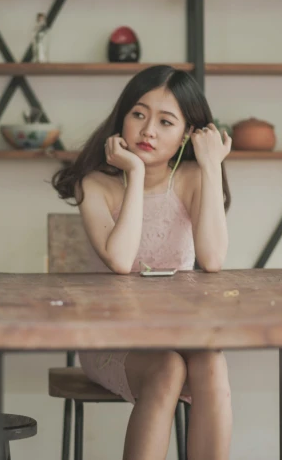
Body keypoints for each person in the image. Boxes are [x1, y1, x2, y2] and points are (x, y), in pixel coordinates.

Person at [51, 65, 233, 459]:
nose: (148, 130)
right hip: (111, 338)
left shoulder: (192, 179)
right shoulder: (95, 183)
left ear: (188, 134)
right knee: (166, 368)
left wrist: (211, 166)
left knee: (211, 359)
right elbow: (120, 260)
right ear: (122, 118)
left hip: (177, 331)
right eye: (138, 114)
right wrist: (133, 173)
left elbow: (213, 259)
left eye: (165, 121)